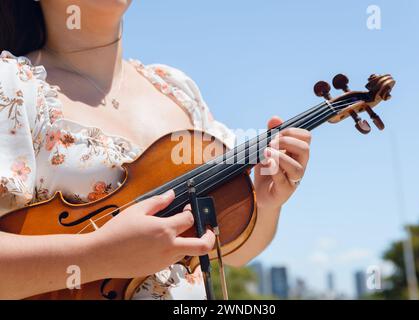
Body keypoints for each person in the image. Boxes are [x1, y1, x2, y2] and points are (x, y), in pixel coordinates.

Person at [0, 0, 311, 300]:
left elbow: (235, 252)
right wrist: (99, 254)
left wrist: (268, 203)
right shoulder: (13, 85)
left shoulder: (176, 89)